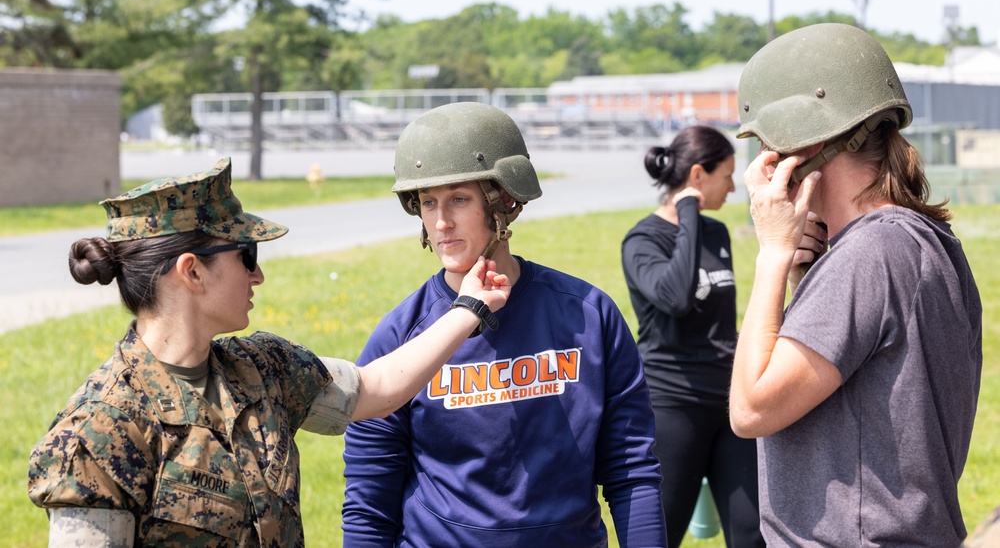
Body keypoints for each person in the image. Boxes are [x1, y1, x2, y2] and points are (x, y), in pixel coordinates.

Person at [27, 157, 512, 548]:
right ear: (192, 272)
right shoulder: (99, 431)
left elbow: (379, 389)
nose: (258, 276)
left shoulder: (263, 369)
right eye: (246, 257)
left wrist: (469, 307)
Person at [341, 101, 667, 547]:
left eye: (458, 198)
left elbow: (632, 469)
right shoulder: (401, 336)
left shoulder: (589, 314)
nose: (440, 222)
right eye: (428, 202)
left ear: (504, 200)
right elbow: (368, 501)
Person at [729, 23, 982, 546]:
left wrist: (773, 255)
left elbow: (752, 409)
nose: (764, 163)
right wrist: (806, 276)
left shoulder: (870, 254)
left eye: (769, 143)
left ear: (807, 142)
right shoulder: (923, 240)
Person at [621, 126, 765, 548]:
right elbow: (675, 298)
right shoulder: (643, 240)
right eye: (727, 175)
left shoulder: (717, 233)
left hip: (731, 406)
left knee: (754, 534)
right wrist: (687, 213)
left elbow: (716, 320)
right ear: (698, 176)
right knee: (660, 537)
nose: (733, 187)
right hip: (673, 407)